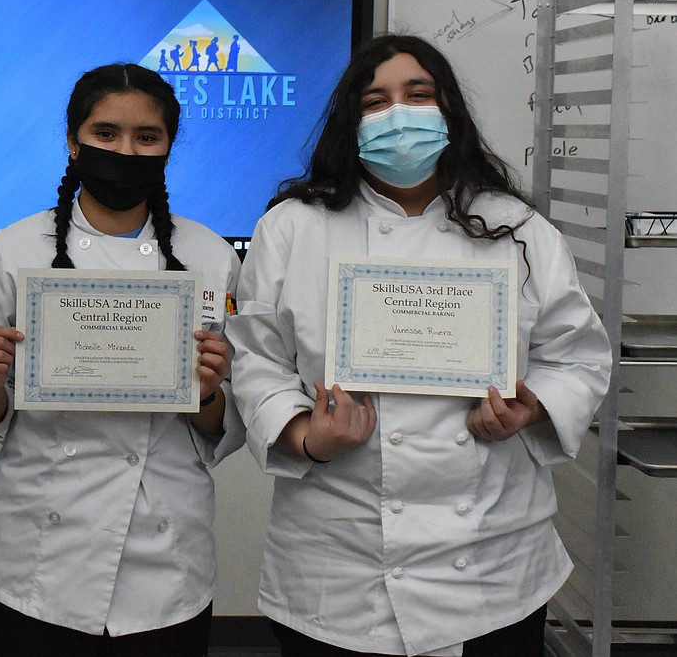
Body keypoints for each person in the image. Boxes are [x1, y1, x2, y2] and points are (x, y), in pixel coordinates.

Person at [227, 34, 611, 657]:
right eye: (374, 101)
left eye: (418, 94)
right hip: (339, 558)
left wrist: (530, 405)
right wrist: (306, 436)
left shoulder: (516, 227)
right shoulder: (292, 226)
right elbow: (257, 361)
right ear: (350, 122)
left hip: (491, 558)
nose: (397, 115)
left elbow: (576, 354)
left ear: (449, 111)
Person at [0, 63, 244, 656]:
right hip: (38, 562)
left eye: (146, 137)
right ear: (73, 142)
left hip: (166, 561)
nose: (125, 150)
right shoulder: (15, 250)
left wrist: (208, 389)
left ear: (168, 147)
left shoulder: (210, 256)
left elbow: (222, 426)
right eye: (106, 134)